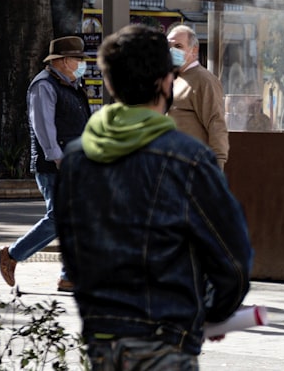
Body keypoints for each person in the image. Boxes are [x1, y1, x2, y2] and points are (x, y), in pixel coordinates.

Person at [54, 24, 253, 369]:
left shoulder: (76, 158)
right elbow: (233, 259)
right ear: (165, 82)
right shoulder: (189, 159)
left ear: (111, 84)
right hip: (166, 340)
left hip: (102, 339)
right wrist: (213, 313)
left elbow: (72, 254)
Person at [0, 36, 91, 292]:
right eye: (77, 58)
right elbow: (43, 126)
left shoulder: (72, 84)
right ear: (62, 60)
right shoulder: (44, 85)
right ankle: (12, 255)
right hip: (55, 165)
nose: (81, 63)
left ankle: (68, 276)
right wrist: (58, 158)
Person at [166, 24, 230, 170]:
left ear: (194, 50)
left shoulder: (204, 80)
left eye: (178, 46)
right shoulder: (174, 79)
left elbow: (216, 123)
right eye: (169, 46)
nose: (172, 51)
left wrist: (217, 167)